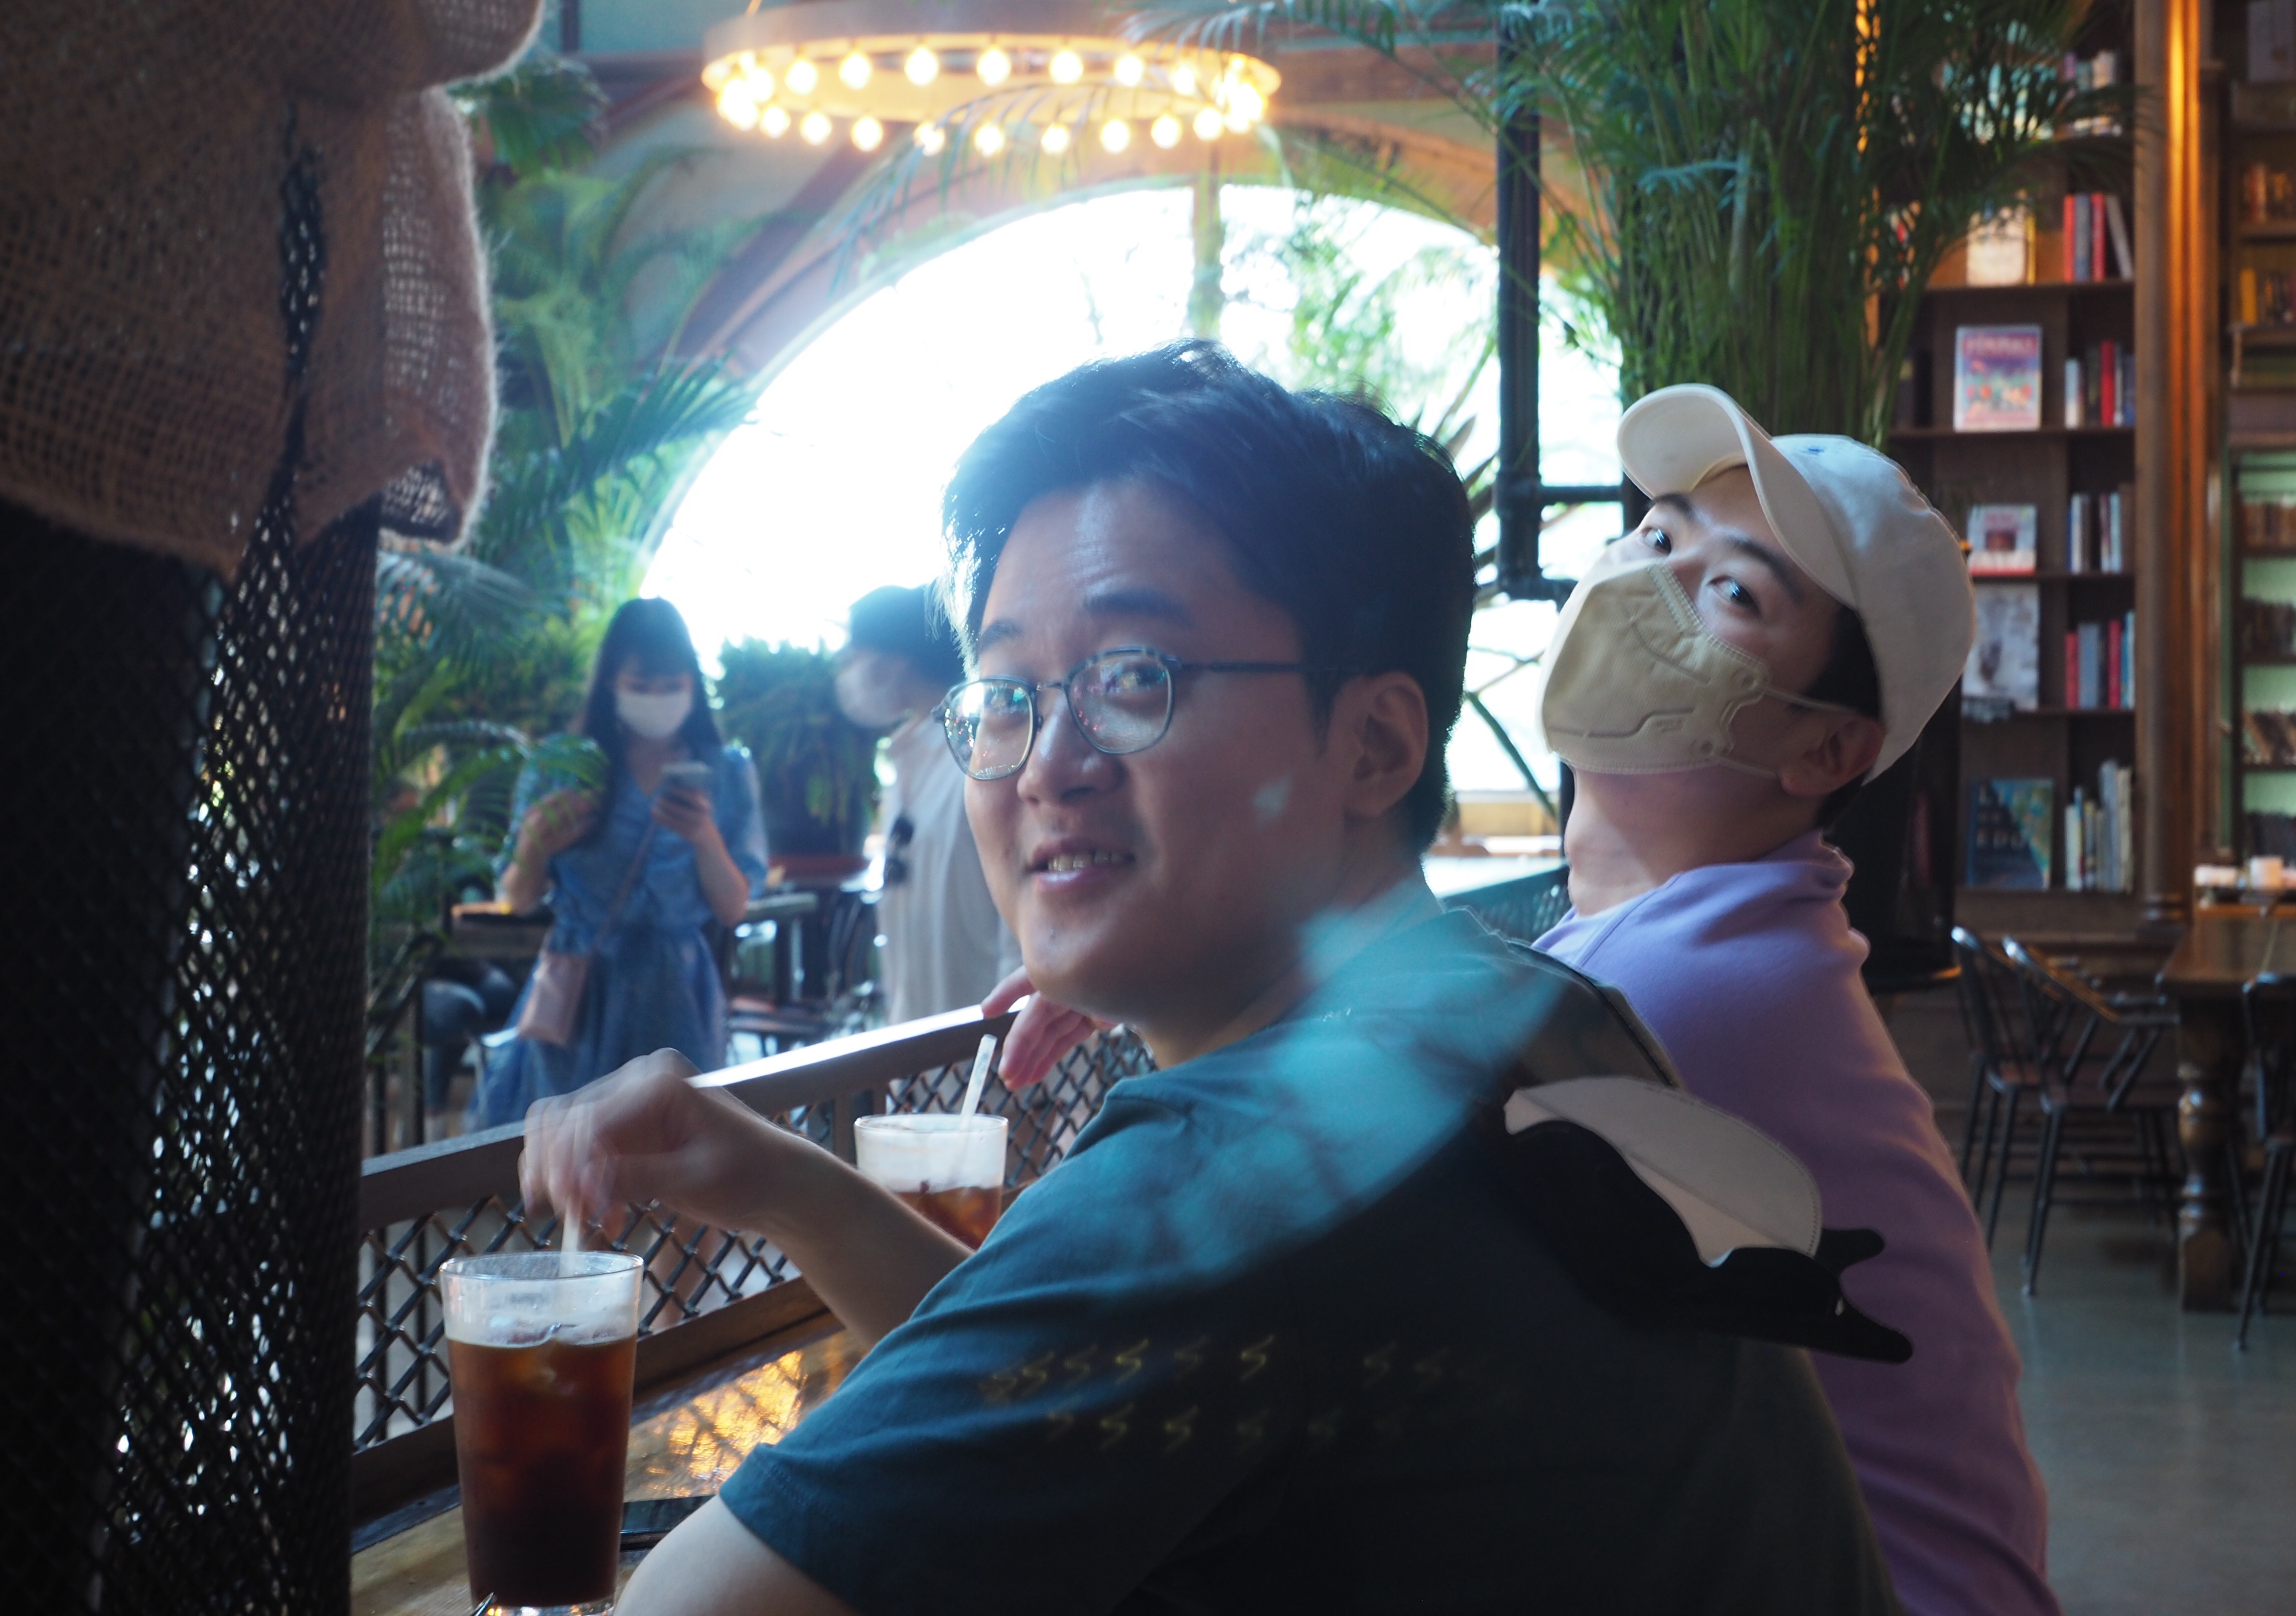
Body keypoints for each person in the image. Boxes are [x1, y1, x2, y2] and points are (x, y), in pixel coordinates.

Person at [519, 346, 1903, 1616]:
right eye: (1005, 694)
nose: (1048, 764)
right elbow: (1089, 1374)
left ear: (1373, 745)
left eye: (1133, 678)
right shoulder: (1534, 1013)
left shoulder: (1247, 1167)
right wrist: (780, 1183)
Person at [1529, 384, 2058, 1616]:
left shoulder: (1692, 987)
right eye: (1658, 532)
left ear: (1826, 751)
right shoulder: (1727, 934)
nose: (1649, 578)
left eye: (1733, 590)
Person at [479, 598, 768, 1127]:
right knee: (574, 1153)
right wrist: (535, 847)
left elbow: (733, 908)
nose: (657, 698)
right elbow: (516, 897)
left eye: (671, 685)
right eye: (641, 685)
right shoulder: (564, 765)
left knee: (676, 1152)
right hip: (580, 997)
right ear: (612, 681)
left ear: (692, 684)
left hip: (677, 998)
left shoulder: (726, 772)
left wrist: (704, 837)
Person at [835, 584, 1019, 1023]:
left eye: (854, 657)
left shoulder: (979, 759)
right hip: (916, 1036)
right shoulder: (907, 762)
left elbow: (1016, 933)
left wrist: (1007, 1036)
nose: (846, 674)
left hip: (985, 1042)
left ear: (893, 660)